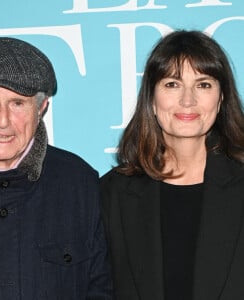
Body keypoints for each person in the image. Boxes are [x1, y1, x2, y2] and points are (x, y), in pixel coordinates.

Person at [0, 37, 112, 299]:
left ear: (41, 107)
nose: (2, 121)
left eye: (18, 103)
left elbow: (102, 290)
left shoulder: (80, 185)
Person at [100, 30, 244, 300]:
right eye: (172, 84)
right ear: (152, 99)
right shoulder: (112, 194)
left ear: (221, 97)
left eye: (203, 84)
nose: (187, 100)